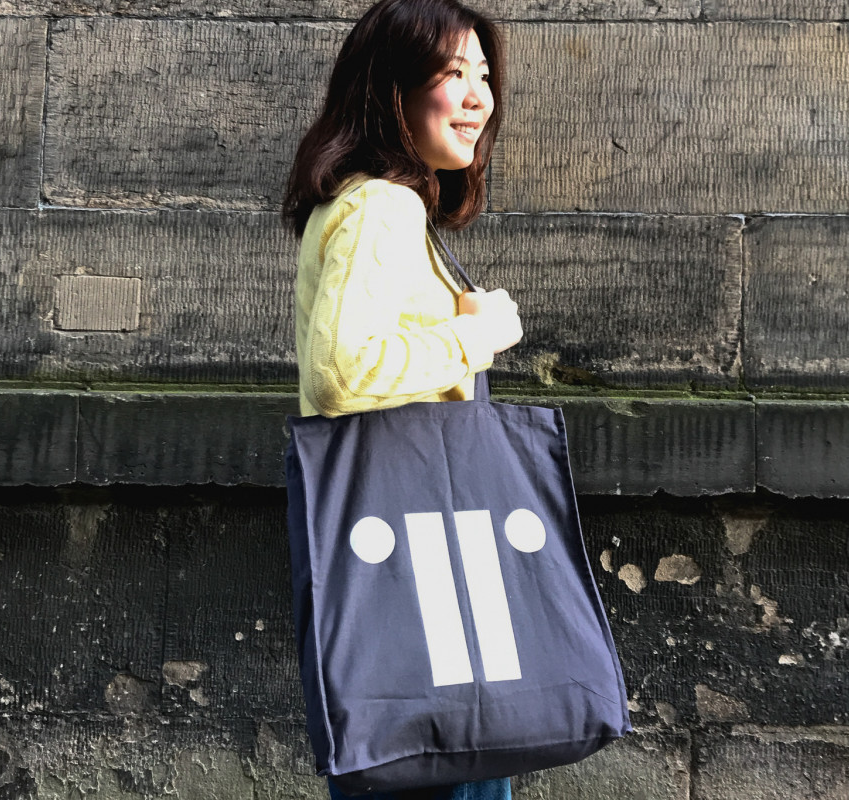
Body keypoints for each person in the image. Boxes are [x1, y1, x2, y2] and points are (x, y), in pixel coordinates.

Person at [282, 0, 522, 798]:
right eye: (453, 74)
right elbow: (341, 374)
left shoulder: (374, 208)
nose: (479, 98)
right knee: (447, 765)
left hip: (410, 553)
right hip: (427, 564)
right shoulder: (383, 207)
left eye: (483, 76)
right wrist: (475, 340)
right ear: (392, 91)